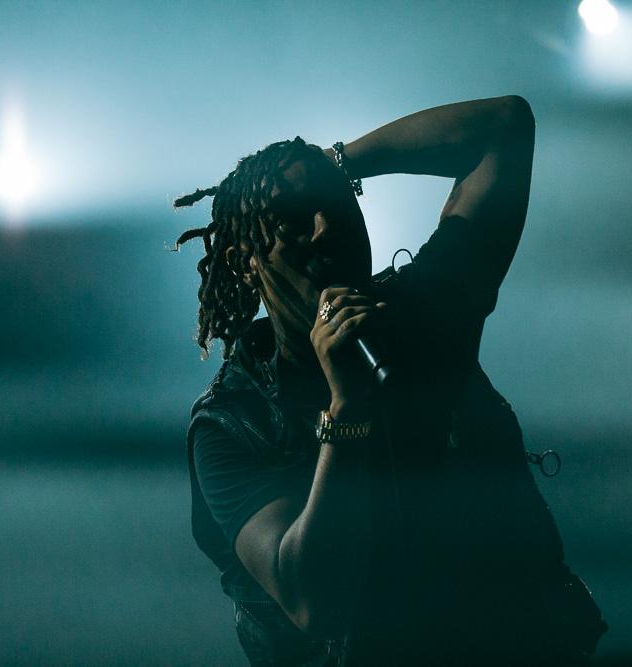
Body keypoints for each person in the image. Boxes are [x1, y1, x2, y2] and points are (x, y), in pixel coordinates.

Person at [172, 96, 605, 666]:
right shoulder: (233, 424)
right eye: (295, 218)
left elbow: (503, 128)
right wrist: (347, 408)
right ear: (244, 259)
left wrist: (337, 162)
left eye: (336, 204)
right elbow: (312, 600)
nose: (326, 228)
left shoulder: (426, 310)